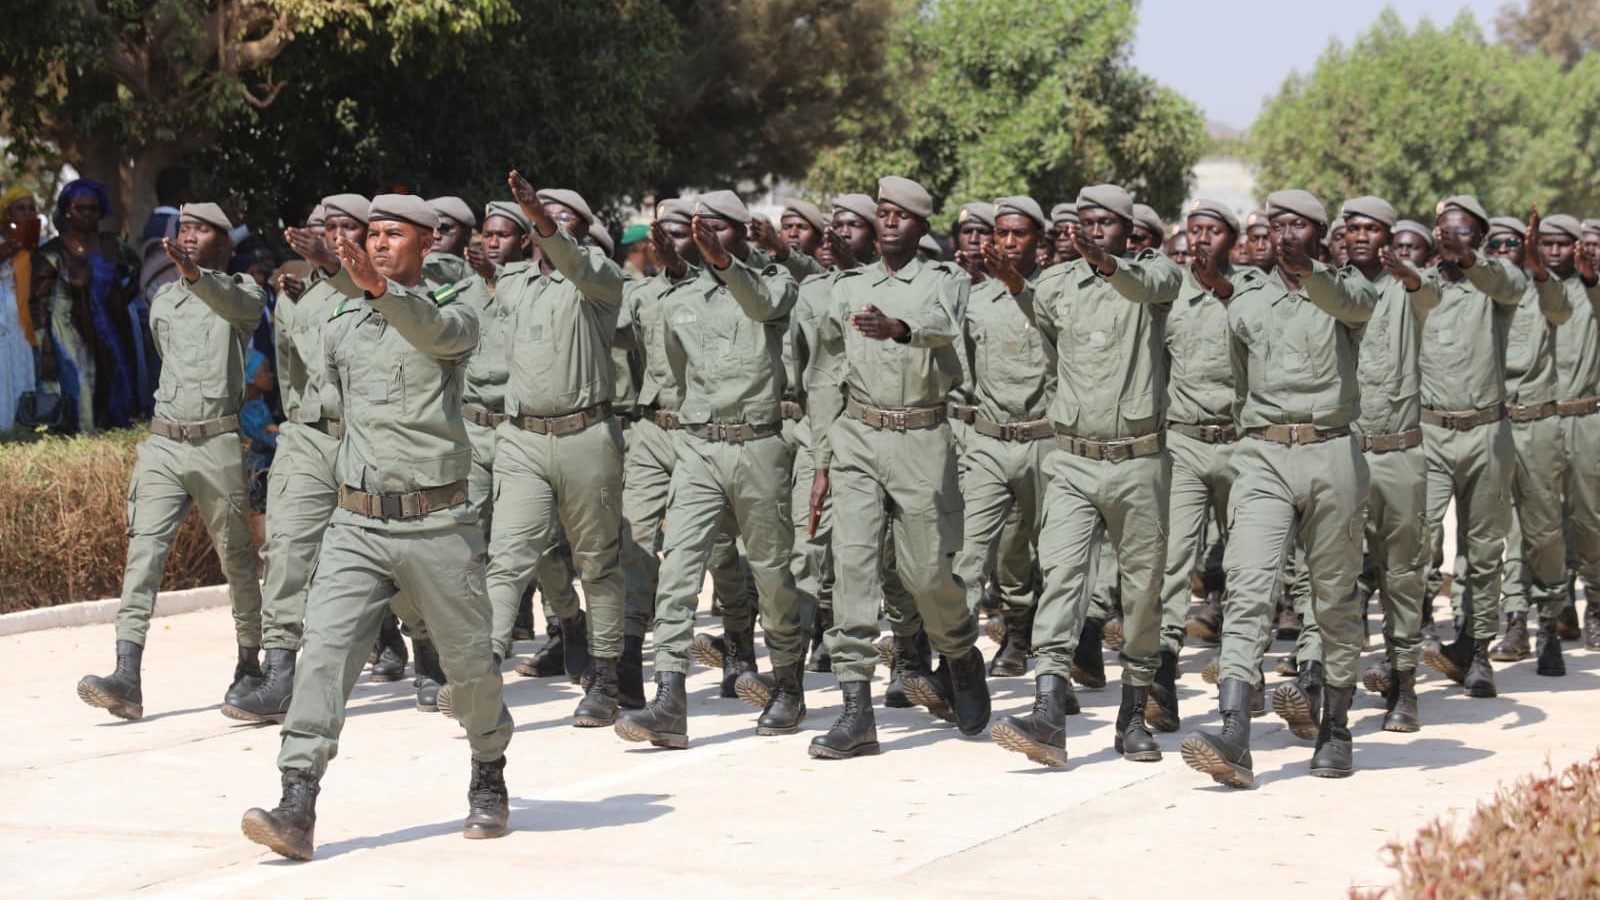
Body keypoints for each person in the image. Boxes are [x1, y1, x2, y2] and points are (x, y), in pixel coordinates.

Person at [240, 194, 512, 859]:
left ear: (428, 243)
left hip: (437, 522)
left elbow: (433, 332)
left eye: (395, 234)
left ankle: (488, 770)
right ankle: (297, 800)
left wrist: (377, 289)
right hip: (357, 523)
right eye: (374, 234)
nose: (381, 243)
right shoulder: (343, 322)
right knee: (323, 658)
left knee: (469, 664)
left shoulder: (457, 310)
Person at [1180, 189, 1375, 788]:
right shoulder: (1245, 300)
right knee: (1247, 586)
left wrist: (1309, 271)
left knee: (1333, 595)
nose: (1286, 233)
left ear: (1320, 233)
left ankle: (1335, 726)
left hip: (1331, 451)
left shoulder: (1349, 290)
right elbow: (1241, 382)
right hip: (1264, 452)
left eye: (1298, 225)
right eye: (1277, 224)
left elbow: (1348, 303)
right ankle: (1234, 730)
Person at [988, 183, 1181, 769]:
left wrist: (1106, 263)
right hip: (1072, 459)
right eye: (1086, 222)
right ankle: (1048, 712)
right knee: (1062, 578)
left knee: (1141, 593)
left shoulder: (1155, 274)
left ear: (1126, 227)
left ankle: (1133, 714)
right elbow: (1049, 338)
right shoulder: (1057, 284)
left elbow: (1148, 286)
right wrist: (1016, 285)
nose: (1094, 231)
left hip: (1138, 461)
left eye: (1105, 223)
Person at [614, 190, 807, 748]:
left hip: (758, 445)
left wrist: (722, 262)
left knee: (770, 572)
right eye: (699, 228)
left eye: (716, 227)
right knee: (678, 571)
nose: (704, 237)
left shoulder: (774, 282)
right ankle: (669, 701)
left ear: (742, 230)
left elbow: (763, 306)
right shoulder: (681, 298)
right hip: (698, 445)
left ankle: (788, 684)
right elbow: (676, 373)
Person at [806, 175, 990, 758]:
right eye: (882, 212)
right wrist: (821, 460)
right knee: (852, 567)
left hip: (921, 437)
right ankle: (855, 710)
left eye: (900, 215)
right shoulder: (847, 287)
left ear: (920, 226)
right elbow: (824, 374)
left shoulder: (945, 280)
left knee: (926, 574)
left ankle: (960, 654)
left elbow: (946, 325)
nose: (888, 221)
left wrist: (898, 329)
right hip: (857, 436)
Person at [76, 203, 267, 721]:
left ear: (223, 243)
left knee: (237, 559)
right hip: (164, 441)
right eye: (183, 228)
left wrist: (196, 275)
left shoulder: (244, 293)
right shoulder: (163, 300)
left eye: (201, 229)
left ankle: (251, 666)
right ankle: (126, 676)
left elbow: (239, 309)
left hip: (216, 442)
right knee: (143, 553)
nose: (189, 235)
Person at [488, 173, 629, 727]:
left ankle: (606, 679)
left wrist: (542, 218)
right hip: (522, 438)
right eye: (539, 217)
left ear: (582, 232)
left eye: (561, 218)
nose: (546, 224)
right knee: (507, 557)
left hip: (585, 436)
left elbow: (575, 262)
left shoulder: (598, 280)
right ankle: (482, 672)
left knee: (597, 564)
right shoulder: (512, 284)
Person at [223, 194, 369, 724]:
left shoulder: (385, 288)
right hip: (309, 435)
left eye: (347, 227)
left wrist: (333, 267)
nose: (334, 235)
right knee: (287, 547)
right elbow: (289, 373)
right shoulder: (293, 298)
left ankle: (424, 653)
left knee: (392, 552)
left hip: (369, 437)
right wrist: (296, 425)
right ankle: (279, 671)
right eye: (326, 227)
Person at [610, 199, 758, 702]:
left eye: (679, 234)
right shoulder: (642, 294)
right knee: (636, 539)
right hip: (653, 430)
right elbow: (613, 335)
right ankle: (629, 662)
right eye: (661, 235)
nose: (667, 244)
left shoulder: (725, 291)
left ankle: (738, 641)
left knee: (719, 549)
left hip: (703, 433)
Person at [1326, 196, 1439, 734]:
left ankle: (1403, 680)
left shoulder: (1408, 287)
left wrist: (1407, 273)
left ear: (1388, 237)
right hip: (1341, 451)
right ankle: (1333, 682)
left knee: (1402, 574)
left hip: (1398, 452)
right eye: (1353, 229)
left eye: (1372, 229)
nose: (1361, 237)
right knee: (1335, 573)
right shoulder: (1328, 285)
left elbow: (1428, 292)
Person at [1153, 199, 1261, 733]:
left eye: (1212, 231)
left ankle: (1245, 671)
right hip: (1185, 444)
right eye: (1194, 231)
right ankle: (1162, 674)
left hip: (1243, 444)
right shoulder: (1169, 293)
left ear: (1232, 241)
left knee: (1246, 565)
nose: (1200, 239)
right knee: (1173, 560)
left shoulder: (1255, 291)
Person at [1417, 195, 1525, 700]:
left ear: (1479, 238)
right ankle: (1403, 650)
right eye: (1443, 228)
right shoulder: (1418, 284)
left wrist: (1470, 259)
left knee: (1483, 550)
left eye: (1462, 230)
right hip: (1429, 432)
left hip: (1486, 432)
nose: (1449, 237)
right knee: (1416, 541)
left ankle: (1477, 648)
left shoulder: (1496, 283)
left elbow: (1509, 284)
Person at [952, 197, 1055, 683]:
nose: (1008, 242)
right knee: (970, 552)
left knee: (1044, 552)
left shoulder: (1057, 293)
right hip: (989, 441)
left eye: (1019, 233)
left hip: (1046, 441)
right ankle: (955, 660)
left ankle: (1048, 653)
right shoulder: (975, 300)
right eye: (1001, 233)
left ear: (1040, 240)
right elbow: (965, 372)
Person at [1479, 214, 1570, 676]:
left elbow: (1560, 308)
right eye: (1494, 244)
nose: (1503, 250)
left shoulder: (1545, 290)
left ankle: (1549, 621)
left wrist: (1536, 264)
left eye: (1512, 243)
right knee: (1495, 532)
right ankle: (1514, 620)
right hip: (1490, 424)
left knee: (1543, 530)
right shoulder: (1475, 295)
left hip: (1537, 423)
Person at [1533, 212, 1600, 674]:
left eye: (1563, 243)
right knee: (1543, 526)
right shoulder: (1527, 290)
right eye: (1547, 243)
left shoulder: (1590, 290)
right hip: (1539, 419)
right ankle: (1556, 611)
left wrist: (1590, 276)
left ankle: (1595, 602)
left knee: (1588, 519)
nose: (1554, 251)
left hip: (1585, 417)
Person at [33, 179, 142, 433]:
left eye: (93, 208)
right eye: (80, 208)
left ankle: (118, 429)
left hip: (112, 327)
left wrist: (121, 298)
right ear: (67, 210)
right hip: (70, 329)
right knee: (82, 380)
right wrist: (45, 348)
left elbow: (136, 270)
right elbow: (38, 303)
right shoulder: (51, 252)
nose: (87, 214)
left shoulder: (112, 244)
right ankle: (84, 434)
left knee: (120, 374)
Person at [1, 187, 41, 431]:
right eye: (20, 209)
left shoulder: (39, 246)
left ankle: (25, 421)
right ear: (8, 214)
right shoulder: (4, 244)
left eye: (31, 208)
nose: (27, 213)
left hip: (25, 322)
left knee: (23, 368)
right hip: (3, 318)